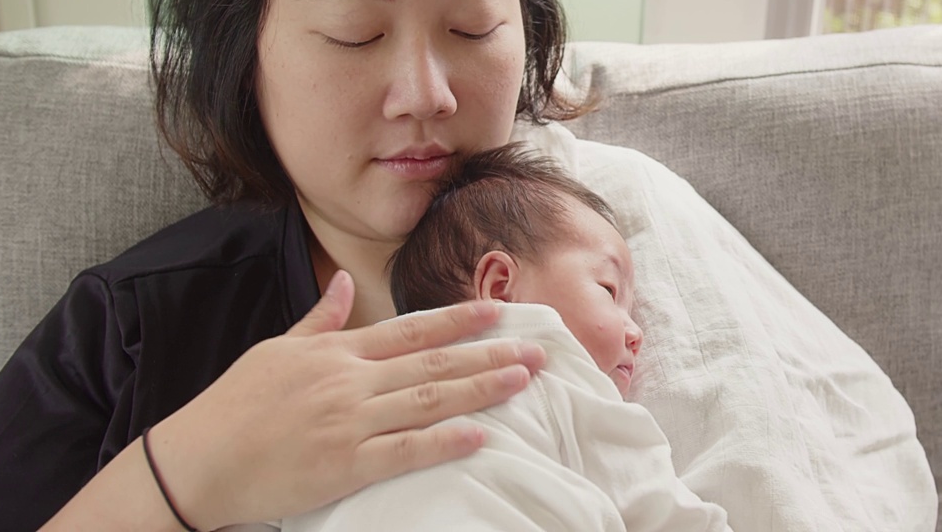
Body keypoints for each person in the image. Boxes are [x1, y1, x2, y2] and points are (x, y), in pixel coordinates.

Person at [0, 0, 586, 530]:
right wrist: (181, 473)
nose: (428, 93)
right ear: (243, 50)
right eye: (354, 34)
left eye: (472, 26)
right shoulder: (131, 332)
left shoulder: (618, 226)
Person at [249, 143, 731, 531]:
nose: (636, 332)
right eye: (608, 290)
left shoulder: (362, 375)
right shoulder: (557, 367)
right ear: (500, 287)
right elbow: (663, 512)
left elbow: (274, 501)